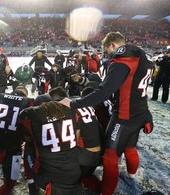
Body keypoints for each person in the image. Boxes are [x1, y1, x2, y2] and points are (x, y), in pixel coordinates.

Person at [60, 31, 154, 195]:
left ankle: (106, 192)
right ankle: (132, 175)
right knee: (130, 147)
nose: (107, 55)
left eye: (106, 51)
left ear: (112, 45)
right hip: (140, 112)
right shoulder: (143, 57)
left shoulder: (123, 59)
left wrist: (75, 103)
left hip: (124, 117)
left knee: (110, 157)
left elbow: (104, 92)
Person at [19, 96, 82, 195]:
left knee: (29, 147)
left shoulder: (32, 115)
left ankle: (31, 184)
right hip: (74, 173)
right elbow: (76, 137)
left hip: (50, 179)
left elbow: (27, 138)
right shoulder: (71, 112)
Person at [0, 86, 34, 195]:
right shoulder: (28, 103)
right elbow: (28, 133)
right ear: (25, 94)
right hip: (13, 149)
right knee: (10, 183)